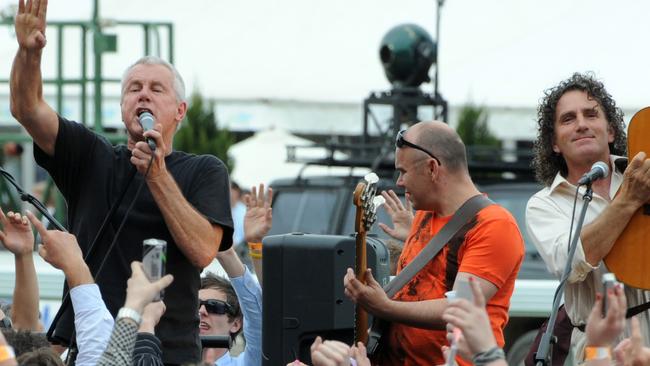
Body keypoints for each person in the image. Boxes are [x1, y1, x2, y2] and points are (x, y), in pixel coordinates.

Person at [10, 0, 233, 363]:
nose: (143, 94)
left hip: (168, 353)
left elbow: (203, 249)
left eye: (156, 89)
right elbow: (27, 108)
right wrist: (29, 52)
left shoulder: (204, 170)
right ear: (122, 105)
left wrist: (158, 174)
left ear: (180, 111)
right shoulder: (92, 157)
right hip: (93, 346)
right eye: (133, 88)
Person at [343, 121, 525, 365]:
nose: (398, 182)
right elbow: (432, 279)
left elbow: (460, 306)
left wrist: (384, 307)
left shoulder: (494, 224)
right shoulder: (425, 214)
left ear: (432, 168)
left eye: (403, 171)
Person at [525, 72, 650, 361]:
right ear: (554, 143)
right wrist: (630, 199)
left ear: (611, 132)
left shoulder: (643, 170)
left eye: (591, 114)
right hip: (599, 345)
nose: (581, 124)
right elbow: (571, 264)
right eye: (568, 119)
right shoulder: (544, 204)